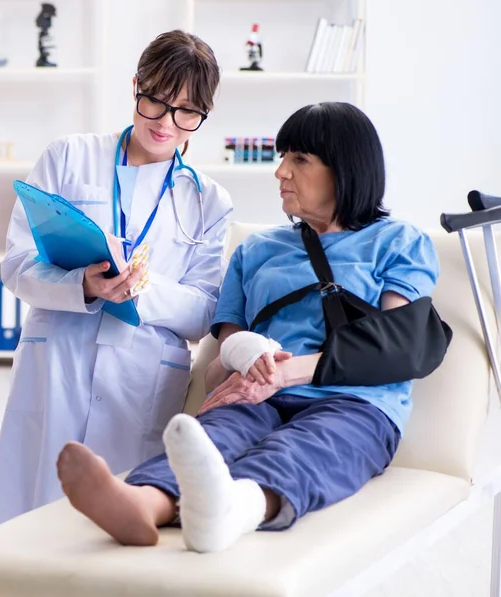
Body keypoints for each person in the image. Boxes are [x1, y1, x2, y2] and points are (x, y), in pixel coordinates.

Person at [55, 102, 442, 553]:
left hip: (354, 403)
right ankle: (142, 504)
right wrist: (244, 362)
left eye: (299, 159)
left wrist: (286, 371)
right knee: (212, 439)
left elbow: (394, 346)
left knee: (305, 450)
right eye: (282, 157)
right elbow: (225, 350)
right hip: (257, 393)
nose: (280, 171)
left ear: (345, 169)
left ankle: (235, 510)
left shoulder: (398, 242)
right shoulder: (257, 250)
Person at [0, 30, 233, 532]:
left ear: (204, 113)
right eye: (155, 102)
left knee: (110, 534)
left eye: (186, 112)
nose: (166, 123)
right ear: (136, 85)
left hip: (138, 379)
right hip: (57, 361)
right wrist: (85, 286)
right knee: (30, 520)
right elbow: (17, 264)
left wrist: (143, 287)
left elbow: (205, 310)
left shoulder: (209, 200)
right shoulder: (69, 157)